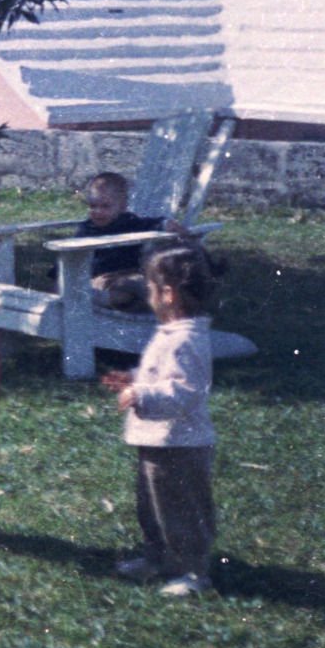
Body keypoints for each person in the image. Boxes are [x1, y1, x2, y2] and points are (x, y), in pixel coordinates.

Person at [99, 241, 218, 596]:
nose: (148, 295)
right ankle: (158, 557)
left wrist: (142, 395)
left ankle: (192, 572)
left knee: (180, 508)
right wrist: (135, 378)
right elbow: (162, 376)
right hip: (158, 440)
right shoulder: (173, 334)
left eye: (150, 288)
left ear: (168, 294)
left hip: (180, 444)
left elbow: (184, 391)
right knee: (153, 505)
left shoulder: (187, 340)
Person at [71, 172, 188, 313]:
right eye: (93, 206)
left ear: (122, 207)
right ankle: (102, 299)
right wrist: (57, 277)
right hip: (98, 278)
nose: (98, 211)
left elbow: (149, 224)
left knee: (137, 286)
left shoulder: (129, 222)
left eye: (105, 206)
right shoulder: (87, 228)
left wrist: (165, 224)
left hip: (128, 274)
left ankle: (106, 300)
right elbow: (72, 254)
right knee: (102, 288)